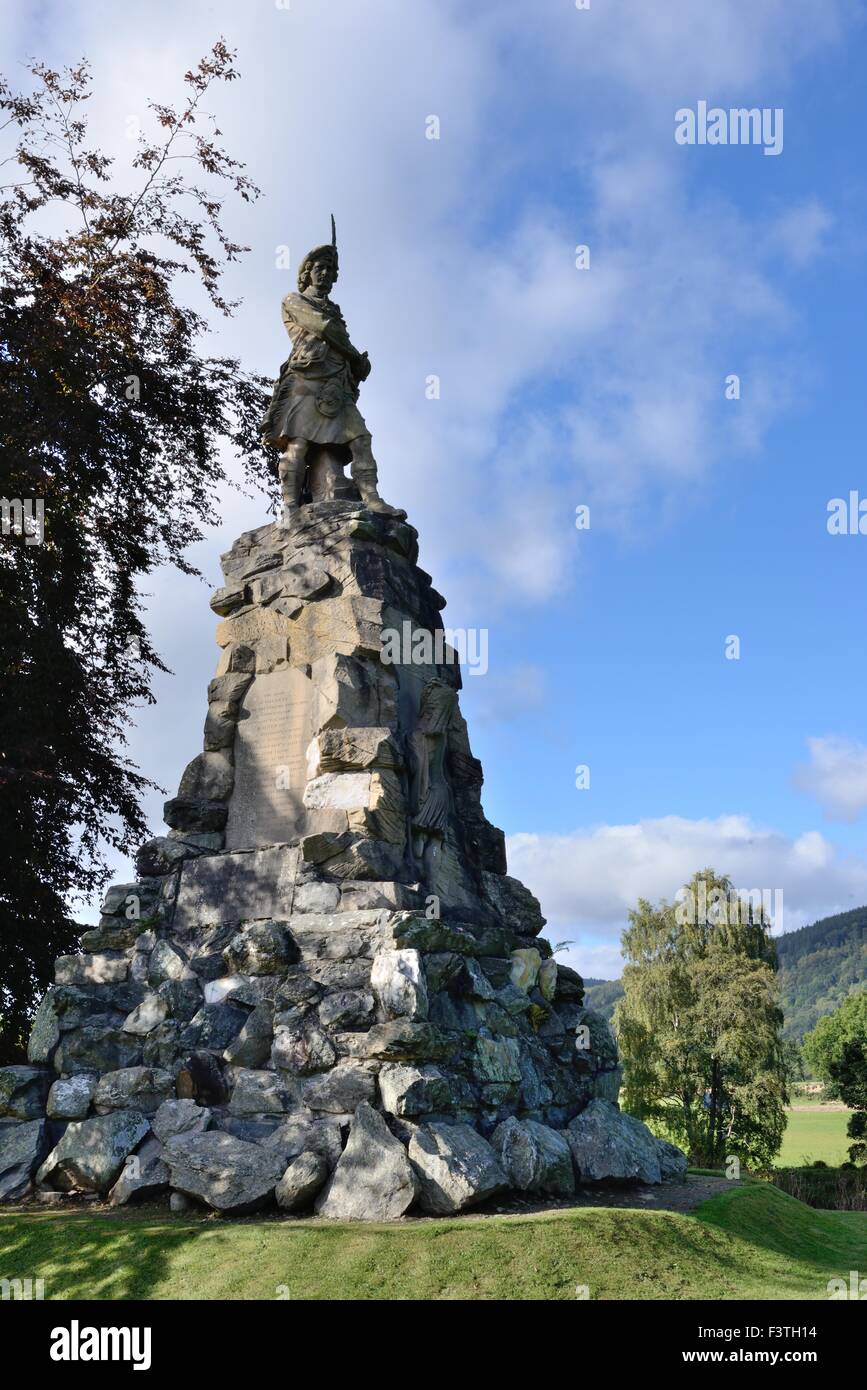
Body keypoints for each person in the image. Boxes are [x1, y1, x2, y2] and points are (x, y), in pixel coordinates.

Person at [261, 218, 400, 523]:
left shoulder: (336, 310)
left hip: (336, 385)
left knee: (361, 437)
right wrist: (352, 353)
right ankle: (290, 508)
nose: (325, 274)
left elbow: (336, 336)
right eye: (319, 268)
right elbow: (322, 329)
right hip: (305, 380)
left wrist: (357, 367)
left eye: (331, 270)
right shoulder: (293, 300)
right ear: (306, 273)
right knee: (298, 443)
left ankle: (372, 499)